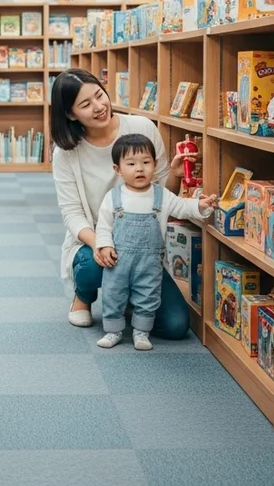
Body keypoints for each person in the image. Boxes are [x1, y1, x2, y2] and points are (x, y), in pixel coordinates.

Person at [50, 68, 193, 339]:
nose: (99, 106)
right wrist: (101, 243)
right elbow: (71, 213)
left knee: (175, 326)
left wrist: (174, 176)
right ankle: (83, 295)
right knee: (92, 267)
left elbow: (162, 197)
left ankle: (128, 295)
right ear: (71, 114)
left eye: (99, 95)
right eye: (85, 104)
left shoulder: (142, 128)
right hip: (95, 240)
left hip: (143, 247)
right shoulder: (66, 153)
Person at [93, 134, 214, 350]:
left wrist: (200, 206)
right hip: (118, 261)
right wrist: (105, 245)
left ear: (155, 165)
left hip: (150, 263)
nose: (139, 169)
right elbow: (103, 225)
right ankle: (113, 331)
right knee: (113, 294)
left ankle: (141, 332)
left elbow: (182, 207)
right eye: (131, 164)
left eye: (146, 162)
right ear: (118, 169)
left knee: (148, 295)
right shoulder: (113, 197)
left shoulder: (162, 195)